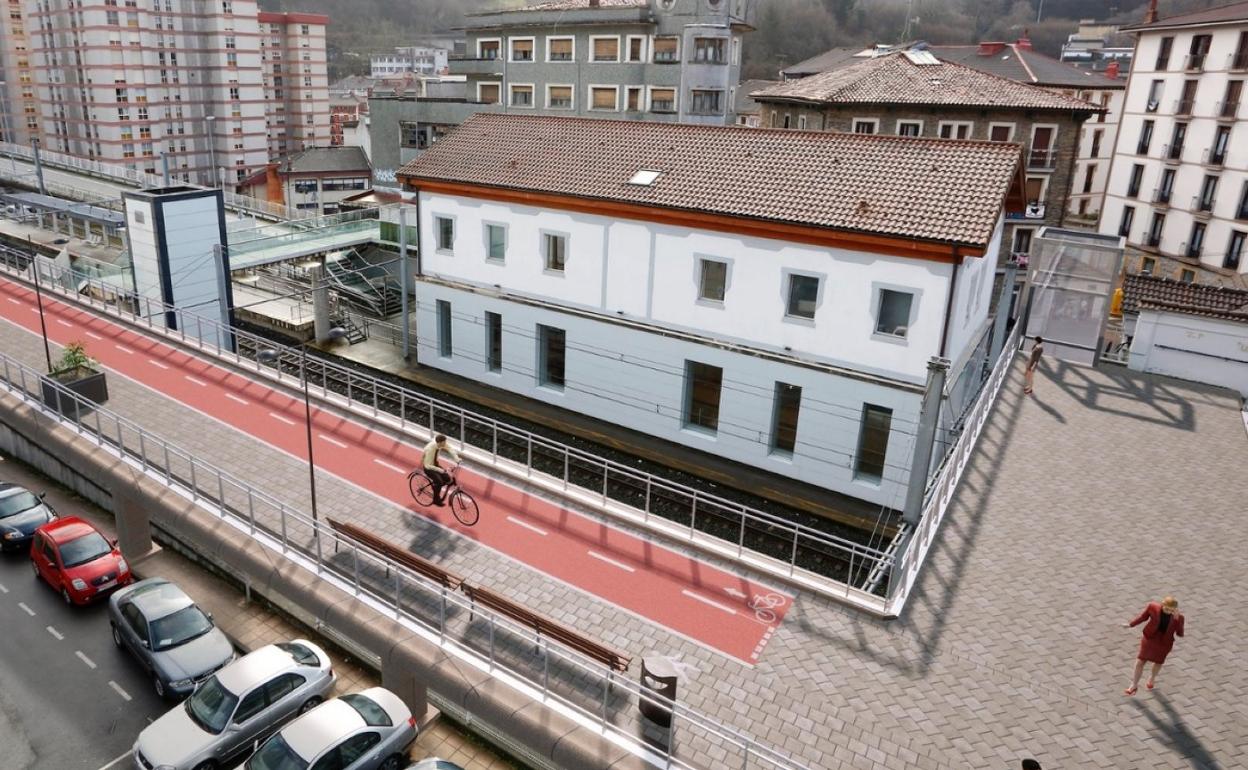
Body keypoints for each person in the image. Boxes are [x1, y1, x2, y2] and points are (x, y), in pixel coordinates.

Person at [1123, 595, 1185, 695]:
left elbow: (1180, 634)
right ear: (1162, 604)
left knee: (1158, 662)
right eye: (1166, 609)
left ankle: (1152, 678)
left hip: (1164, 643)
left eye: (1171, 610)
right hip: (1150, 638)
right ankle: (1134, 685)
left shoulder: (1179, 617)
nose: (1168, 612)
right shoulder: (1153, 607)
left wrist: (1177, 620)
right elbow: (1142, 617)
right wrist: (1131, 624)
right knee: (1140, 661)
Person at [421, 434, 460, 507]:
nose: (445, 444)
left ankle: (435, 486)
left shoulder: (441, 444)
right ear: (439, 443)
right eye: (444, 442)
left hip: (435, 465)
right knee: (439, 482)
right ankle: (436, 500)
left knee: (448, 479)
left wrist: (456, 458)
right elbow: (427, 465)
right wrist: (440, 470)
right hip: (428, 468)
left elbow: (450, 448)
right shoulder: (430, 449)